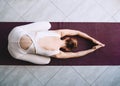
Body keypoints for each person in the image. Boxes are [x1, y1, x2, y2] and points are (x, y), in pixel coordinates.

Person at [8, 22, 105, 64]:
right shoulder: (58, 54)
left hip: (15, 32)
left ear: (67, 38)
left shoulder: (59, 33)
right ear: (67, 49)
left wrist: (93, 39)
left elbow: (77, 32)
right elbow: (76, 54)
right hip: (14, 52)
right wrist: (92, 50)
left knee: (48, 25)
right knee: (47, 61)